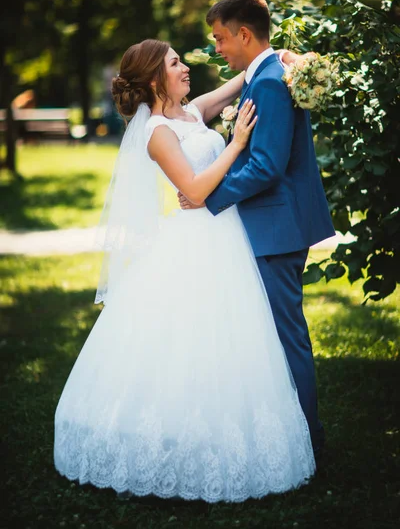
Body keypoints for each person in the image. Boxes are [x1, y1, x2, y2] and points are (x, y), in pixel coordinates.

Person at [54, 39, 316, 503]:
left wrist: (278, 56)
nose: (186, 66)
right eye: (176, 62)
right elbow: (193, 191)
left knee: (239, 338)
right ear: (157, 79)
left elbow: (241, 81)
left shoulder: (192, 113)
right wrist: (235, 144)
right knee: (189, 338)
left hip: (228, 237)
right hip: (196, 238)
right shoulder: (157, 132)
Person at [179, 0, 336, 463]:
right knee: (273, 335)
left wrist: (209, 197)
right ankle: (289, 434)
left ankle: (308, 441)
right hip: (272, 225)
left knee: (286, 336)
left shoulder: (268, 81)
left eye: (222, 38)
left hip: (276, 229)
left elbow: (267, 165)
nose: (219, 48)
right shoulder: (266, 73)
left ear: (244, 34)